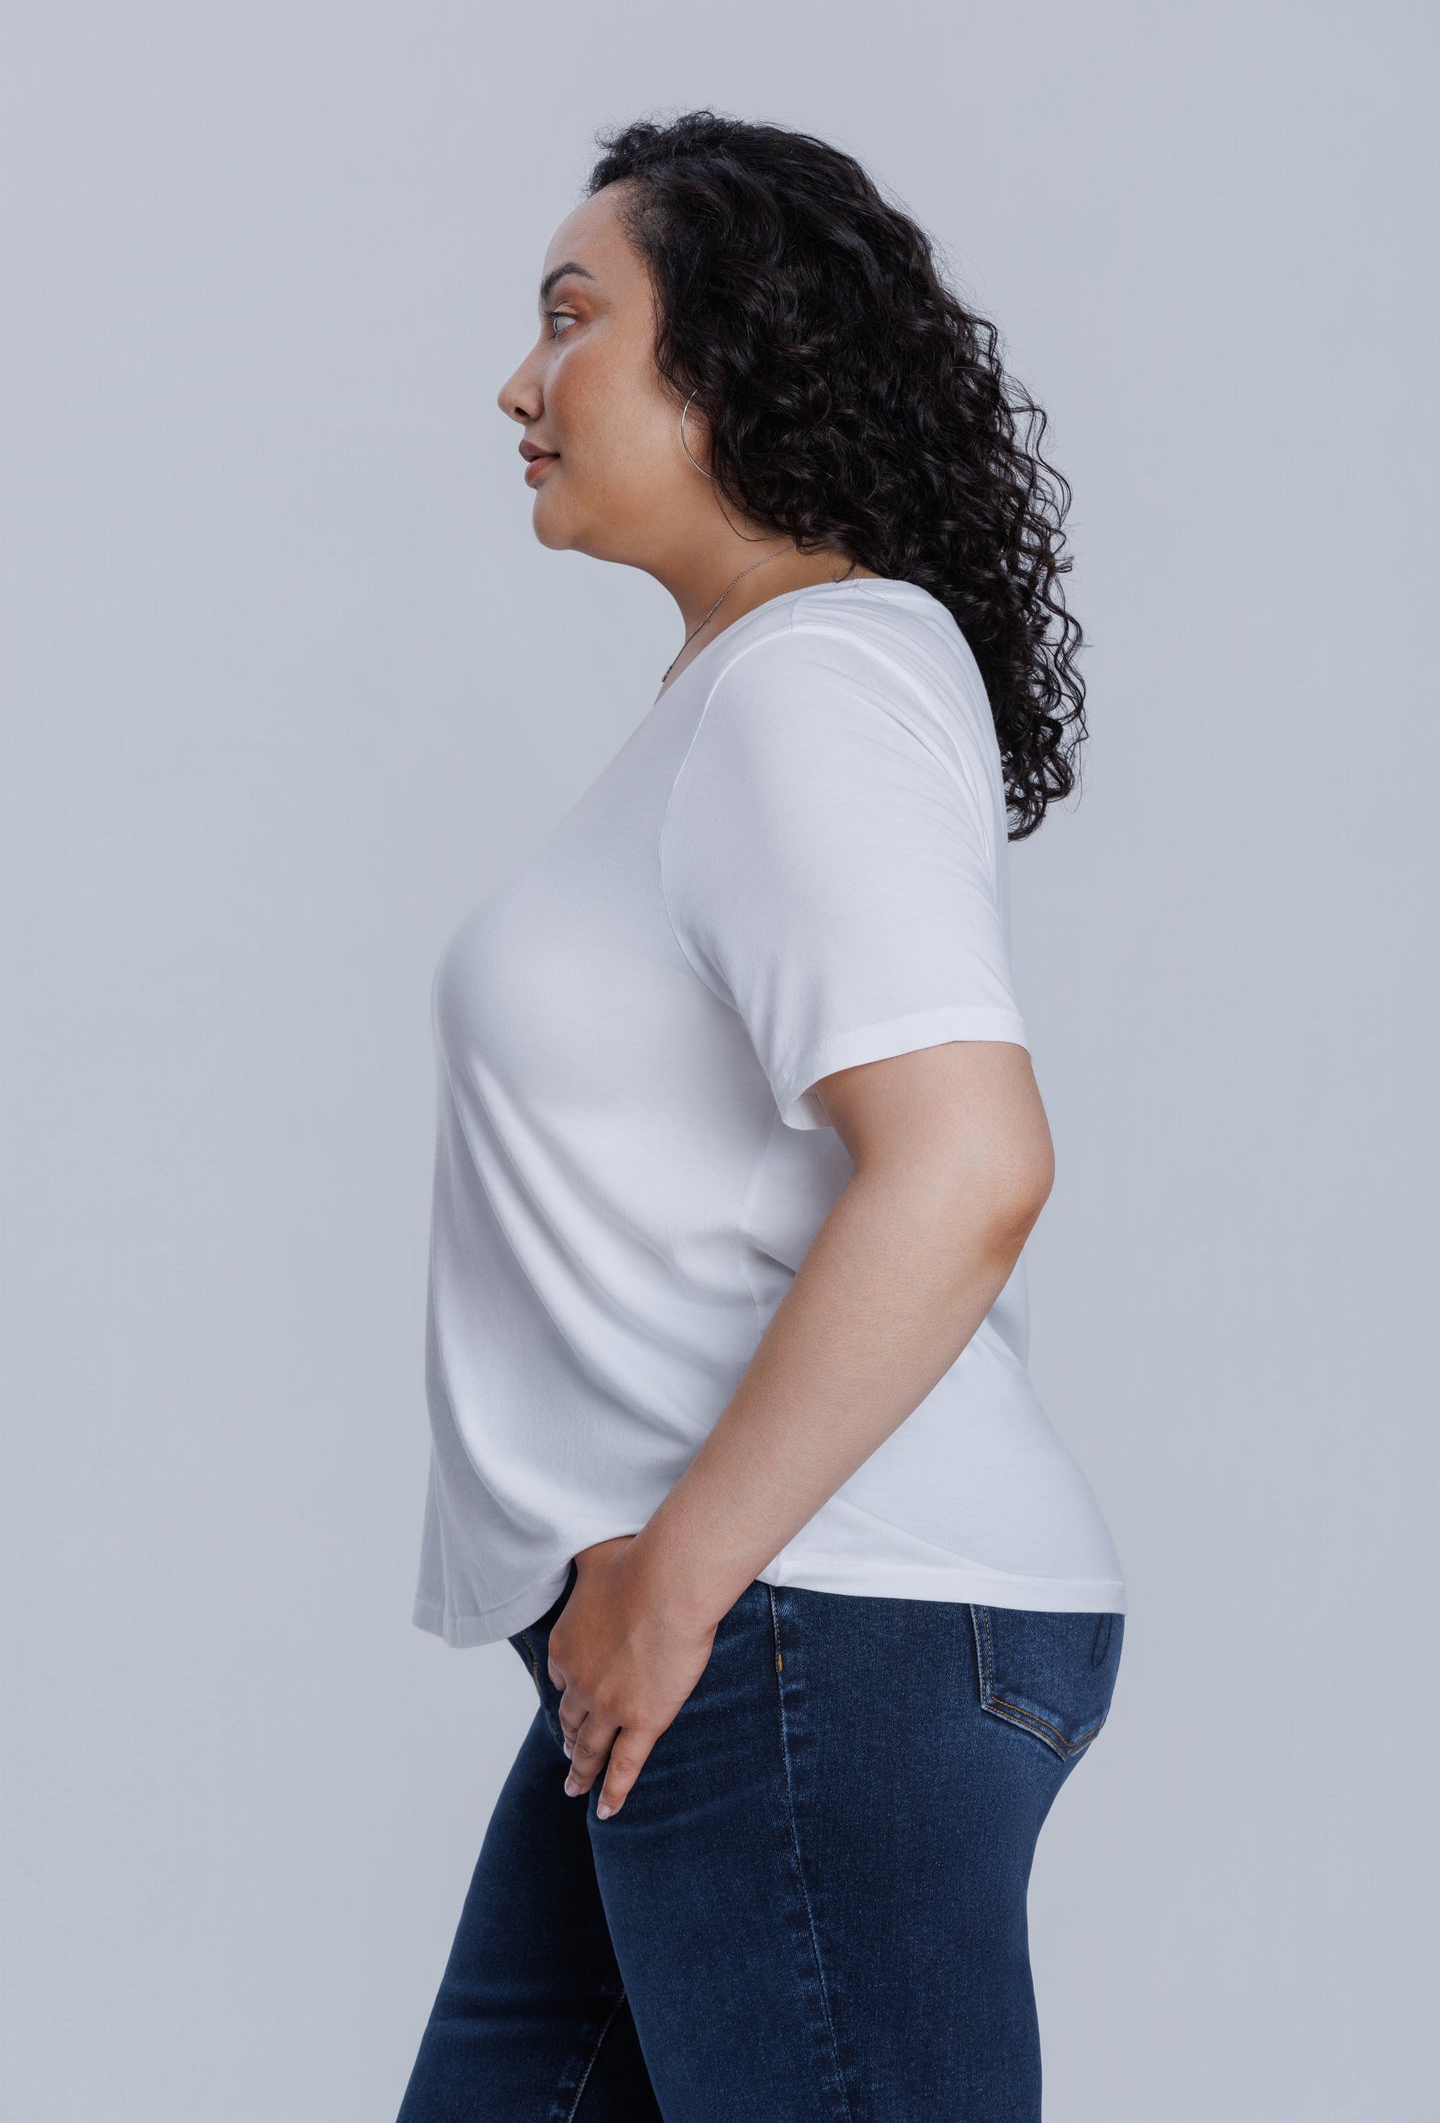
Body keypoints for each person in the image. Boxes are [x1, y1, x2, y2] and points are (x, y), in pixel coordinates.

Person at [395, 110, 1127, 2123]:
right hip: (743, 1621)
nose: (520, 383)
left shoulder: (818, 683)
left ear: (733, 355)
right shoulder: (745, 695)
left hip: (805, 1616)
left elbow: (969, 1161)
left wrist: (680, 1576)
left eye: (573, 318)